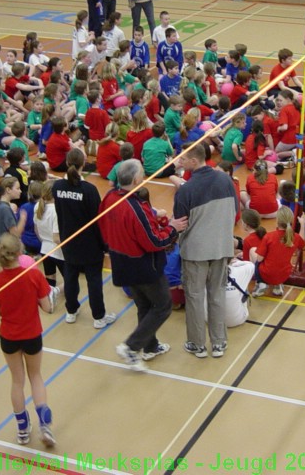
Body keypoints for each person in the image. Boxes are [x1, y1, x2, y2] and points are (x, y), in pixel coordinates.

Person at [99, 160, 187, 371]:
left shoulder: (110, 198)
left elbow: (107, 227)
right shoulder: (134, 207)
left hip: (121, 262)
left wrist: (156, 220)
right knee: (163, 306)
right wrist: (173, 228)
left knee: (145, 306)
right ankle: (131, 346)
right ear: (137, 180)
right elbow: (155, 242)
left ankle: (150, 347)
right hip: (143, 266)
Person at [0, 233, 57, 447]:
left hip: (9, 336)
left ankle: (22, 430)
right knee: (35, 376)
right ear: (20, 252)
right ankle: (45, 427)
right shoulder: (34, 276)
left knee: (17, 381)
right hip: (31, 334)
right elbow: (48, 307)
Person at [173, 143, 239, 359]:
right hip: (221, 247)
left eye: (183, 159)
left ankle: (197, 344)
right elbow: (235, 211)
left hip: (195, 252)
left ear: (194, 161)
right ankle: (219, 343)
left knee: (194, 297)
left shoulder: (186, 190)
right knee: (217, 294)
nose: (179, 162)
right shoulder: (226, 180)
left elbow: (180, 224)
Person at [53, 149, 116, 329]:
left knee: (70, 276)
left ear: (67, 162)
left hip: (68, 241)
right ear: (83, 164)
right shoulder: (88, 190)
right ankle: (98, 317)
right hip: (89, 243)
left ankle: (71, 312)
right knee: (94, 280)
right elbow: (98, 221)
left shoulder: (57, 187)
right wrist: (104, 245)